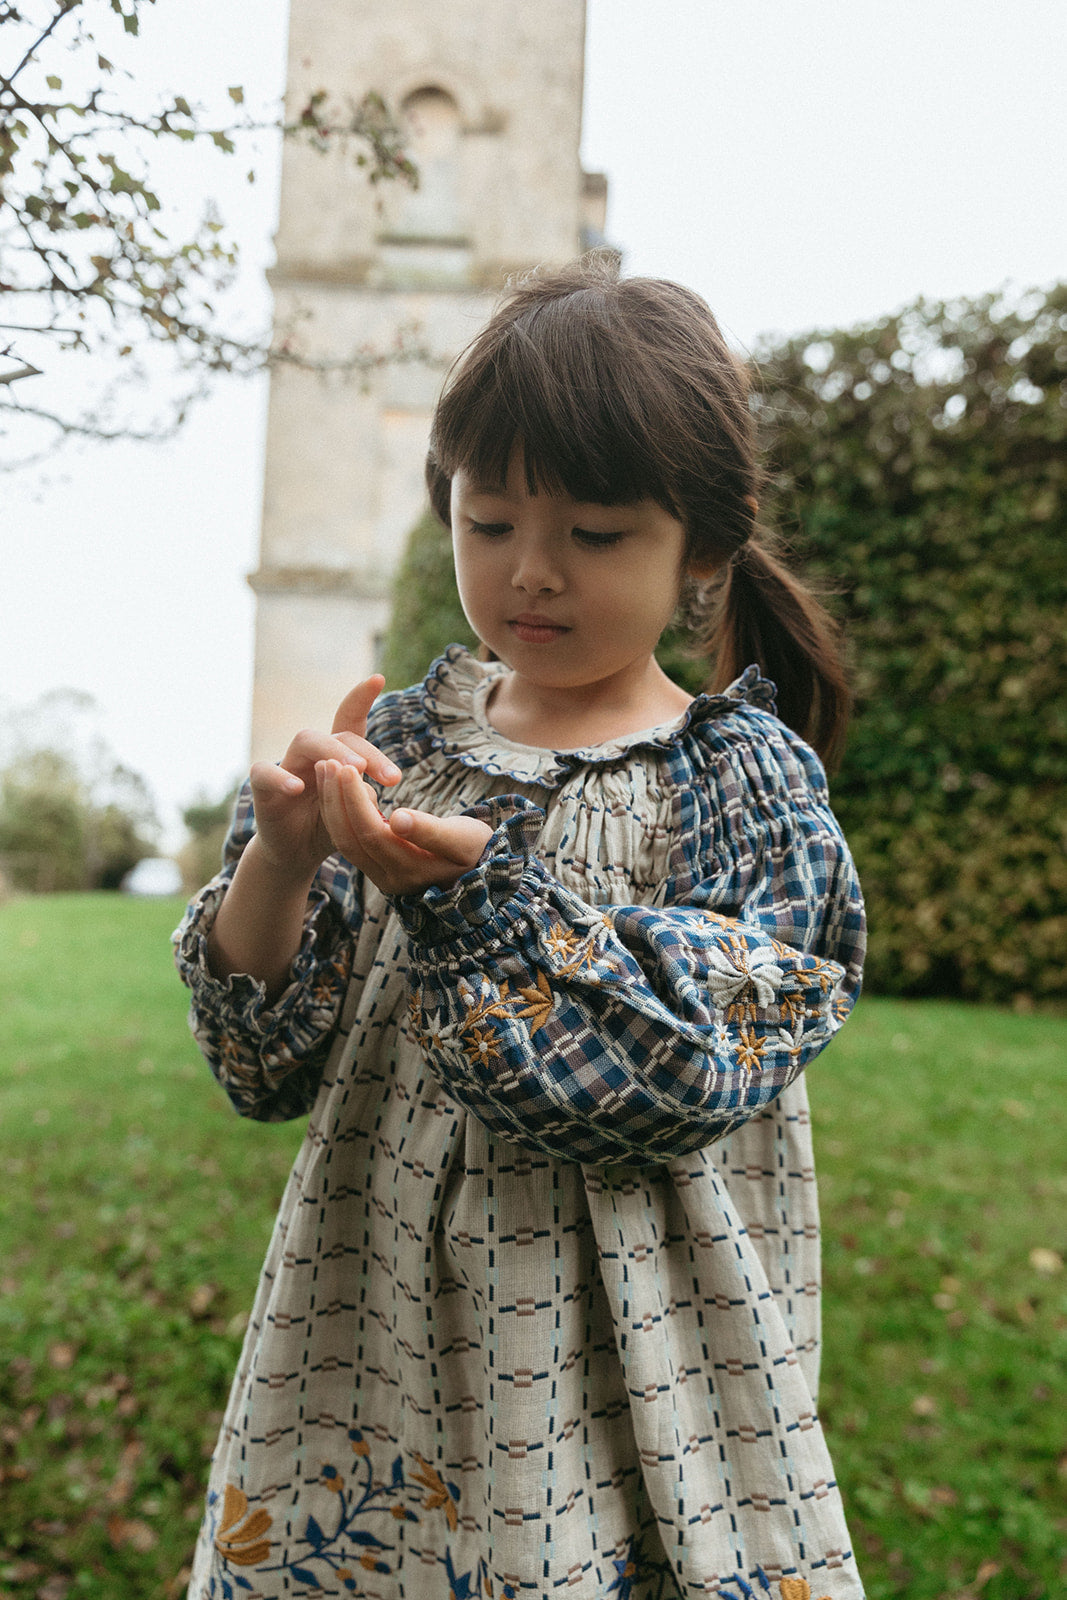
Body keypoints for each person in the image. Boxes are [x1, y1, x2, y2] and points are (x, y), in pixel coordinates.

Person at [175, 257, 867, 1600]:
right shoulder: (400, 752)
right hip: (379, 1327)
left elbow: (698, 1057)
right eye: (488, 522)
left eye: (596, 536)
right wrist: (280, 862)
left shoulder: (737, 779)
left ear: (703, 557)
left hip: (635, 1350)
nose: (530, 573)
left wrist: (477, 903)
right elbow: (261, 1066)